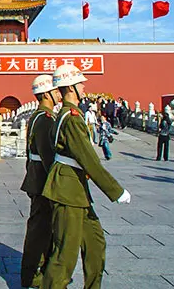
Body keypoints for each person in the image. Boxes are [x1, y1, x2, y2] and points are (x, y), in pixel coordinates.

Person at [41, 64, 131, 289]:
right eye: (80, 84)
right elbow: (88, 158)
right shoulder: (71, 118)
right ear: (70, 87)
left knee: (95, 244)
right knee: (65, 254)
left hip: (76, 189)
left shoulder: (71, 115)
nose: (84, 88)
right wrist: (115, 190)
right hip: (67, 191)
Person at [20, 74, 60, 289]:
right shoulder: (45, 118)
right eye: (55, 91)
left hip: (37, 179)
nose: (59, 93)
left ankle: (38, 273)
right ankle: (32, 275)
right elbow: (48, 156)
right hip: (43, 182)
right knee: (40, 231)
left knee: (43, 229)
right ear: (46, 94)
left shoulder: (40, 116)